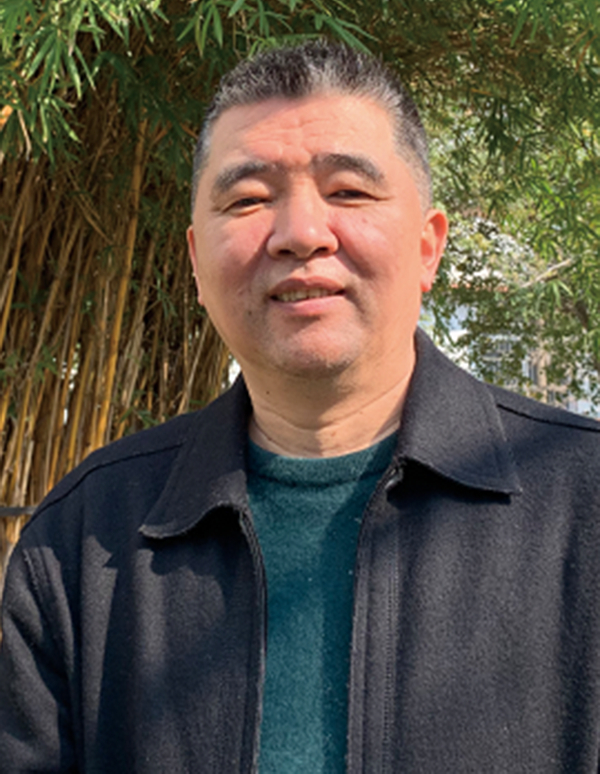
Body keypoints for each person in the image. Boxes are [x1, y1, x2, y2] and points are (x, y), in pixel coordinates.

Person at [2, 40, 600, 774]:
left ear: (428, 247)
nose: (301, 235)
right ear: (195, 263)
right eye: (249, 200)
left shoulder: (584, 509)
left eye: (348, 191)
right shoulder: (82, 542)